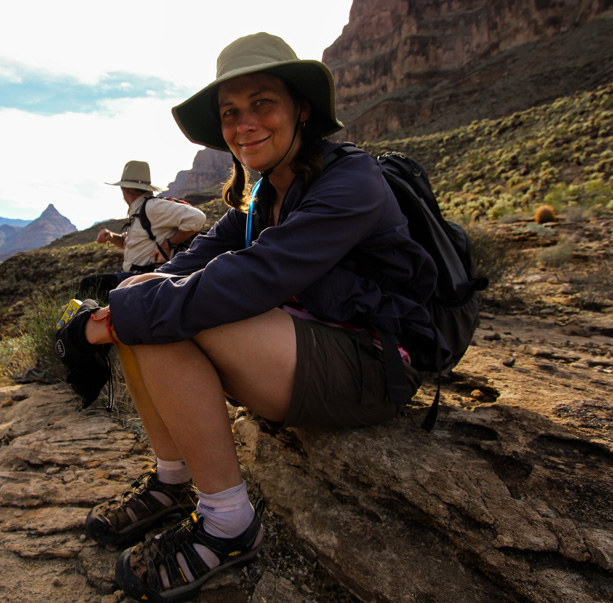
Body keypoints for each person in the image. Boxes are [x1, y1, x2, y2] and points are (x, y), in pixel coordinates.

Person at [60, 32, 438, 602]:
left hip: (375, 366)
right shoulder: (261, 195)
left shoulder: (351, 182)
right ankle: (172, 480)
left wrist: (103, 323)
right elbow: (189, 263)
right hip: (309, 348)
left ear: (301, 110)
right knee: (148, 296)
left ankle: (229, 524)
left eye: (263, 104)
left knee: (163, 314)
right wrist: (117, 301)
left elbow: (259, 277)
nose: (245, 124)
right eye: (231, 113)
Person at [77, 160, 206, 296]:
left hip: (143, 280)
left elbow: (198, 218)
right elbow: (137, 245)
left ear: (127, 189)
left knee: (90, 284)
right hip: (136, 277)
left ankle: (77, 317)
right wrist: (112, 237)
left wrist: (168, 245)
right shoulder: (140, 210)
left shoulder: (152, 207)